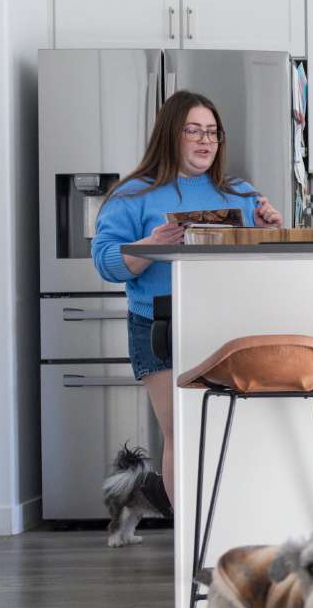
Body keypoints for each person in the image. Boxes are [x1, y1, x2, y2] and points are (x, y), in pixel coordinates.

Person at [91, 90, 283, 513]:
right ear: (170, 135)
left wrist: (271, 226)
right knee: (182, 430)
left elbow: (264, 263)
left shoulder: (241, 193)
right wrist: (150, 244)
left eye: (212, 132)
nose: (205, 140)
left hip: (228, 327)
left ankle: (228, 530)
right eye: (193, 130)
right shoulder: (133, 195)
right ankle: (188, 547)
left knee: (229, 430)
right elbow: (105, 263)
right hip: (161, 326)